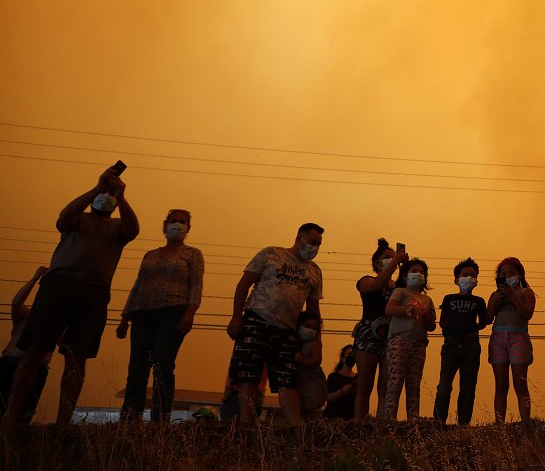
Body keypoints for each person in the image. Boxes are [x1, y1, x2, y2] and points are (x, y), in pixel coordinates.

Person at [3, 167, 139, 425]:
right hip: (58, 284)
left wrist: (121, 196)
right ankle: (11, 416)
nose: (106, 196)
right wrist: (96, 188)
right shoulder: (77, 220)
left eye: (109, 194)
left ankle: (63, 423)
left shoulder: (119, 226)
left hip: (95, 290)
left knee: (77, 357)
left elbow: (134, 229)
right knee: (35, 350)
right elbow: (63, 217)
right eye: (105, 193)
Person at [226, 223, 324, 425]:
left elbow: (313, 308)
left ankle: (298, 428)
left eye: (319, 244)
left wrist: (317, 340)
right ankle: (247, 425)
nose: (315, 247)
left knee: (287, 379)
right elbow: (243, 285)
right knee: (248, 375)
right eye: (313, 242)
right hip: (256, 320)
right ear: (299, 238)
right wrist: (237, 317)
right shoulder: (271, 254)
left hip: (288, 330)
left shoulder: (315, 271)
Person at [116, 208, 205, 422]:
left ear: (188, 228)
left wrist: (190, 311)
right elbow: (138, 285)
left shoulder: (192, 254)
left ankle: (160, 420)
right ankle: (130, 417)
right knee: (137, 365)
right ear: (165, 225)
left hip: (173, 311)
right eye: (174, 221)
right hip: (142, 313)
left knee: (162, 364)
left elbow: (196, 284)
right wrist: (125, 317)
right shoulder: (151, 255)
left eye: (182, 222)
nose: (178, 225)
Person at [353, 238, 406, 420]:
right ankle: (360, 423)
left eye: (394, 257)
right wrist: (395, 262)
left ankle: (383, 424)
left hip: (391, 336)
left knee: (386, 385)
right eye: (387, 258)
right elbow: (377, 285)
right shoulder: (366, 281)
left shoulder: (398, 287)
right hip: (368, 333)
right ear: (377, 263)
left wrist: (404, 268)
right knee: (365, 383)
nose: (392, 260)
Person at [433, 258, 489, 425]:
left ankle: (463, 424)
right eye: (465, 275)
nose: (469, 278)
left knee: (468, 386)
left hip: (471, 345)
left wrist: (473, 329)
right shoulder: (448, 299)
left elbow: (484, 321)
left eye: (473, 275)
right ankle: (439, 421)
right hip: (451, 344)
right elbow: (442, 321)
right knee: (444, 385)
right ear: (457, 279)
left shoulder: (479, 301)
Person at [383, 258, 436, 421]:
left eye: (421, 272)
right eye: (414, 271)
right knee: (395, 381)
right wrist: (408, 309)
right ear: (405, 276)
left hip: (419, 344)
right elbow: (389, 309)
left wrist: (426, 317)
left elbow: (432, 325)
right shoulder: (400, 291)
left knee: (414, 384)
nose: (418, 274)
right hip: (399, 340)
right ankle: (389, 420)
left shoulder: (427, 300)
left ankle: (413, 420)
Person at [487, 257, 536, 423]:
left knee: (520, 383)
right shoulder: (495, 295)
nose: (508, 277)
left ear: (520, 274)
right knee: (501, 385)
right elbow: (487, 318)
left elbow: (527, 314)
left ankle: (526, 422)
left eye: (512, 273)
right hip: (498, 338)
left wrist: (513, 297)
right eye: (504, 274)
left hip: (518, 337)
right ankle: (499, 423)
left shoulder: (526, 292)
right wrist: (496, 300)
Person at [0, 266, 52, 423]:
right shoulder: (25, 315)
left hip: (38, 370)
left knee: (23, 418)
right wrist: (35, 277)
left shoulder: (54, 324)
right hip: (10, 362)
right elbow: (17, 301)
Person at [294, 310, 328, 421]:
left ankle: (316, 427)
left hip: (312, 380)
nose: (310, 330)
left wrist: (302, 360)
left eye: (313, 328)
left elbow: (317, 360)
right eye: (307, 326)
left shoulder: (314, 343)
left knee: (310, 408)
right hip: (302, 380)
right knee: (301, 408)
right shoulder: (298, 341)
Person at [323, 344, 357, 419]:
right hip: (333, 419)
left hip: (350, 420)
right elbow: (327, 397)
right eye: (349, 354)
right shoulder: (333, 376)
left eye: (354, 354)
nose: (352, 357)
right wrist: (342, 391)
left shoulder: (358, 378)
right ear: (342, 358)